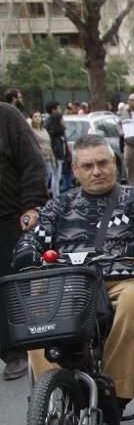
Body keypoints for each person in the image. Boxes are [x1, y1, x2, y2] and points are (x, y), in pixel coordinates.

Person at [12, 135, 134, 410]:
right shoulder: (59, 206)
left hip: (128, 278)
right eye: (87, 166)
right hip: (71, 282)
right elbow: (33, 238)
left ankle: (112, 394)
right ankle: (54, 393)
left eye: (102, 163)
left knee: (130, 303)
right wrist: (26, 252)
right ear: (75, 170)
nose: (96, 171)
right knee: (35, 308)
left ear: (114, 163)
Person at [0, 103, 48, 380]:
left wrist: (32, 205)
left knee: (12, 284)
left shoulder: (7, 116)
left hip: (7, 217)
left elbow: (31, 163)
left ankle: (14, 350)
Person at [29, 111, 57, 195]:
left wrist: (53, 158)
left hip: (48, 157)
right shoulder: (31, 131)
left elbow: (49, 144)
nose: (38, 118)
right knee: (40, 180)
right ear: (32, 118)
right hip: (39, 159)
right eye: (35, 116)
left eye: (39, 116)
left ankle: (43, 196)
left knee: (47, 178)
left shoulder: (44, 130)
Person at [44, 101, 66, 196]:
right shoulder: (53, 127)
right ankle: (55, 196)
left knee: (56, 176)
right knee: (55, 176)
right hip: (55, 153)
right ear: (54, 110)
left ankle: (56, 195)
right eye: (58, 109)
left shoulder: (53, 125)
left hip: (58, 152)